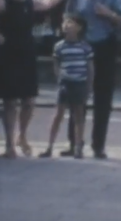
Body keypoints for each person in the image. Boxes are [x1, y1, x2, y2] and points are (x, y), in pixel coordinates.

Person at [0, 0, 78, 159]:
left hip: (26, 52)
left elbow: (47, 3)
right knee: (10, 101)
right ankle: (9, 145)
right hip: (6, 53)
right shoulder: (3, 1)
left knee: (29, 99)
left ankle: (22, 135)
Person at [60, 0, 121, 160]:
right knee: (76, 95)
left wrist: (109, 14)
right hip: (80, 47)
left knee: (102, 96)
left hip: (103, 47)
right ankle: (75, 143)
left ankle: (98, 145)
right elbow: (66, 17)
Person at [39, 14, 93, 159]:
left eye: (71, 23)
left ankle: (78, 147)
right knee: (58, 114)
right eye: (65, 22)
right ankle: (49, 146)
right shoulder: (59, 46)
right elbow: (56, 64)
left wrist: (89, 86)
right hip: (66, 83)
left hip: (80, 83)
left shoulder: (85, 47)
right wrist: (60, 78)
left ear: (79, 28)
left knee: (79, 115)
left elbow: (90, 67)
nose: (66, 25)